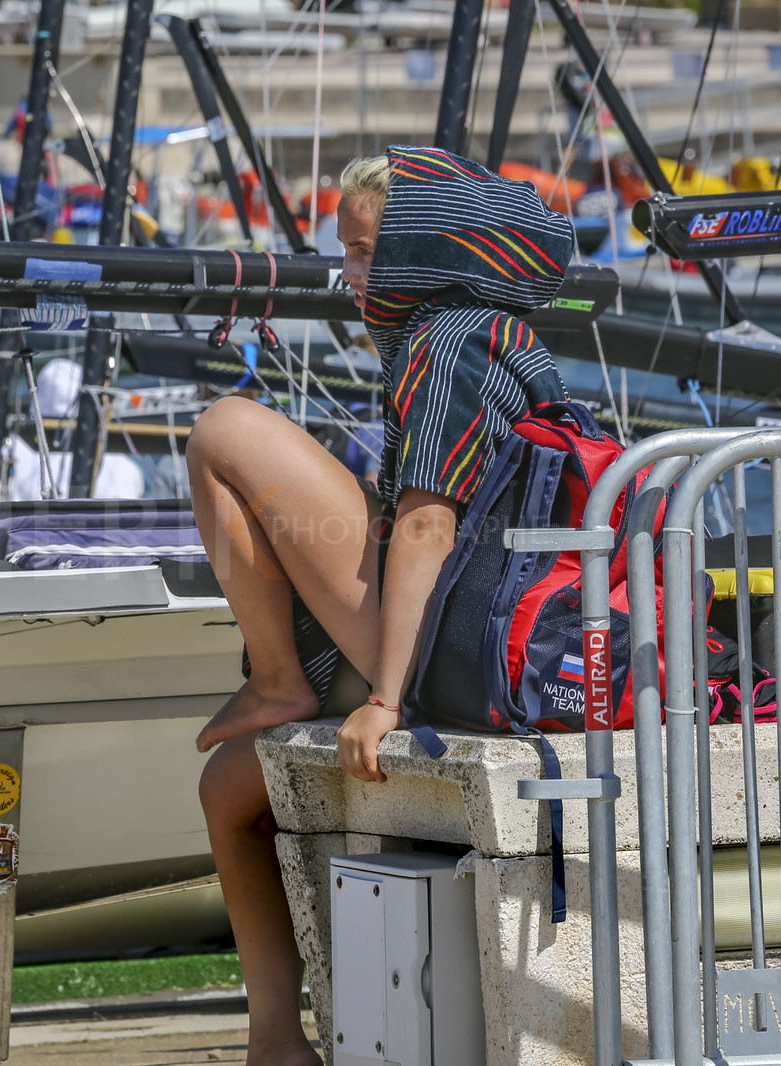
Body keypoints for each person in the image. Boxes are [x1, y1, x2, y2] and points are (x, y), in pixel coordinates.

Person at [187, 147, 573, 1065]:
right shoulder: (495, 333)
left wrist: (385, 698)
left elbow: (429, 525)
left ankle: (281, 677)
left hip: (445, 641)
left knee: (224, 429)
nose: (350, 277)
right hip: (480, 631)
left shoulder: (444, 346)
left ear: (423, 251)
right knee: (226, 790)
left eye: (365, 254)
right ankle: (276, 1042)